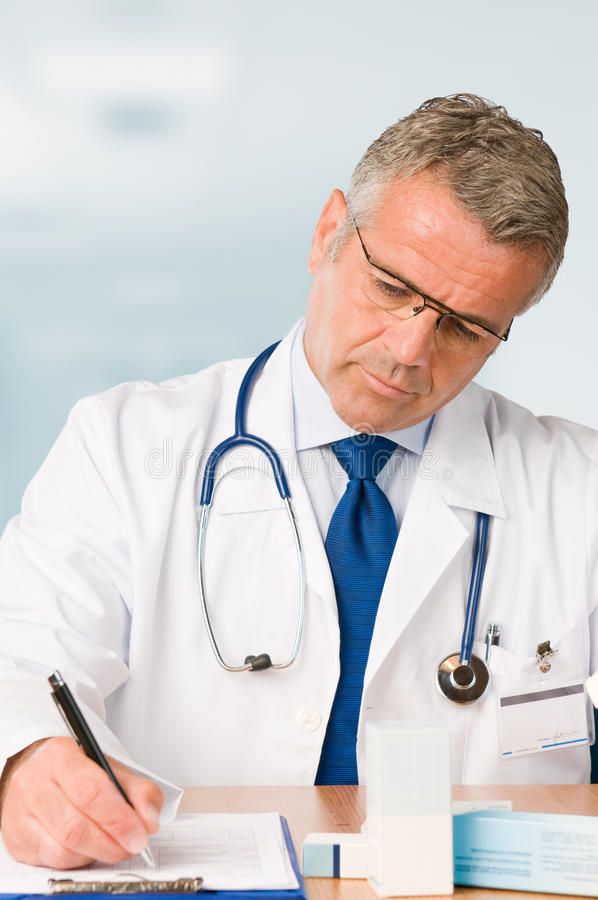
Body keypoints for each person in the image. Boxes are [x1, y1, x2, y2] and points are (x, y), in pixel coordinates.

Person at [0, 93, 596, 868]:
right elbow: (22, 651)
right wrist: (26, 762)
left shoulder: (578, 490)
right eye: (392, 288)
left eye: (462, 326)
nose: (410, 349)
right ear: (328, 233)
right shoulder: (121, 445)